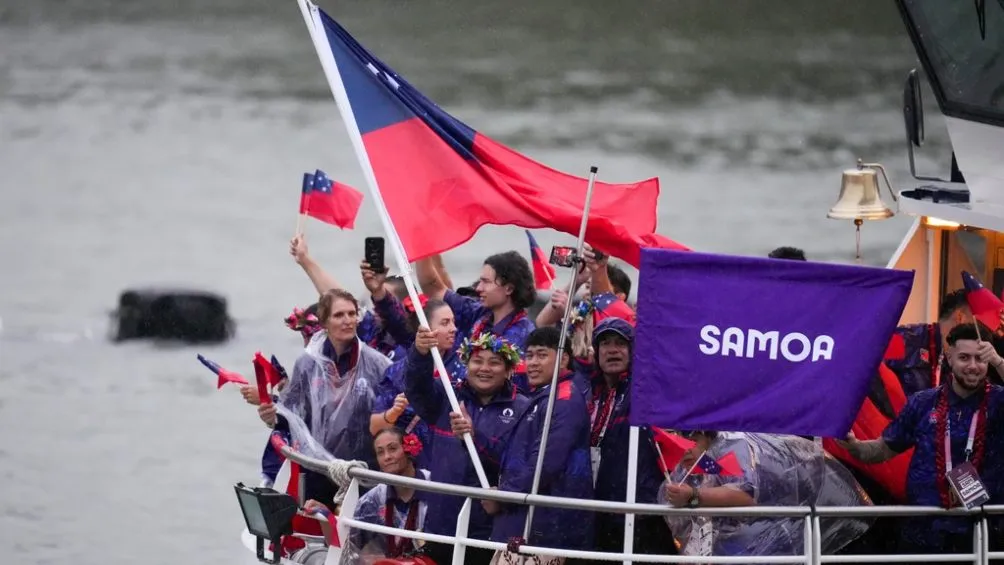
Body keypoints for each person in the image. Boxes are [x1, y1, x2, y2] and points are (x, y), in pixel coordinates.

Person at [838, 322, 1004, 553]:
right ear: (949, 356)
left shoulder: (999, 402)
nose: (973, 366)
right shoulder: (923, 402)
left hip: (982, 533)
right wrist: (854, 447)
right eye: (965, 357)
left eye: (981, 359)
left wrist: (999, 361)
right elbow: (883, 449)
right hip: (924, 532)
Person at [450, 326, 593, 564]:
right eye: (530, 355)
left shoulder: (563, 399)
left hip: (545, 529)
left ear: (564, 358)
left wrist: (504, 497)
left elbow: (544, 464)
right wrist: (472, 435)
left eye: (542, 354)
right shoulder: (545, 396)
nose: (534, 363)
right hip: (529, 523)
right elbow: (516, 457)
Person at [257, 289, 392, 509]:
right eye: (339, 315)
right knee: (315, 535)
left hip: (362, 471)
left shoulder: (377, 364)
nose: (348, 321)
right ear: (324, 322)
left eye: (352, 314)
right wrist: (271, 416)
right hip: (317, 469)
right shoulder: (307, 364)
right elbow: (292, 415)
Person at [405, 328, 529, 565]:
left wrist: (475, 438)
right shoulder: (448, 396)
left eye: (494, 363)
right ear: (466, 364)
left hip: (487, 531)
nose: (484, 368)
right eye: (477, 361)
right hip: (441, 524)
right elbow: (416, 389)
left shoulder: (522, 408)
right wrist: (420, 354)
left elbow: (518, 465)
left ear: (508, 370)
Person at [660, 431, 870, 557]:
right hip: (743, 535)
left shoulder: (732, 446)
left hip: (781, 528)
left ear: (706, 435)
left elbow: (744, 495)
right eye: (678, 438)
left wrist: (693, 497)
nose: (684, 448)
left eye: (692, 440)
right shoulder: (692, 462)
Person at [586, 318, 678, 557]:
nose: (613, 350)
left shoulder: (646, 389)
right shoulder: (590, 392)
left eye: (621, 343)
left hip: (642, 511)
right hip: (598, 509)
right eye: (605, 343)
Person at [303, 428, 431, 559]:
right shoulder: (376, 497)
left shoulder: (434, 486)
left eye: (392, 449)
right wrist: (326, 516)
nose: (387, 457)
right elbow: (344, 544)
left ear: (409, 450)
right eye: (380, 452)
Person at [369, 298, 465, 470]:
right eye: (445, 323)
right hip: (410, 466)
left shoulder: (465, 368)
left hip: (451, 461)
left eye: (453, 322)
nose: (454, 329)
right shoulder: (397, 371)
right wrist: (393, 412)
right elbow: (375, 427)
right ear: (424, 328)